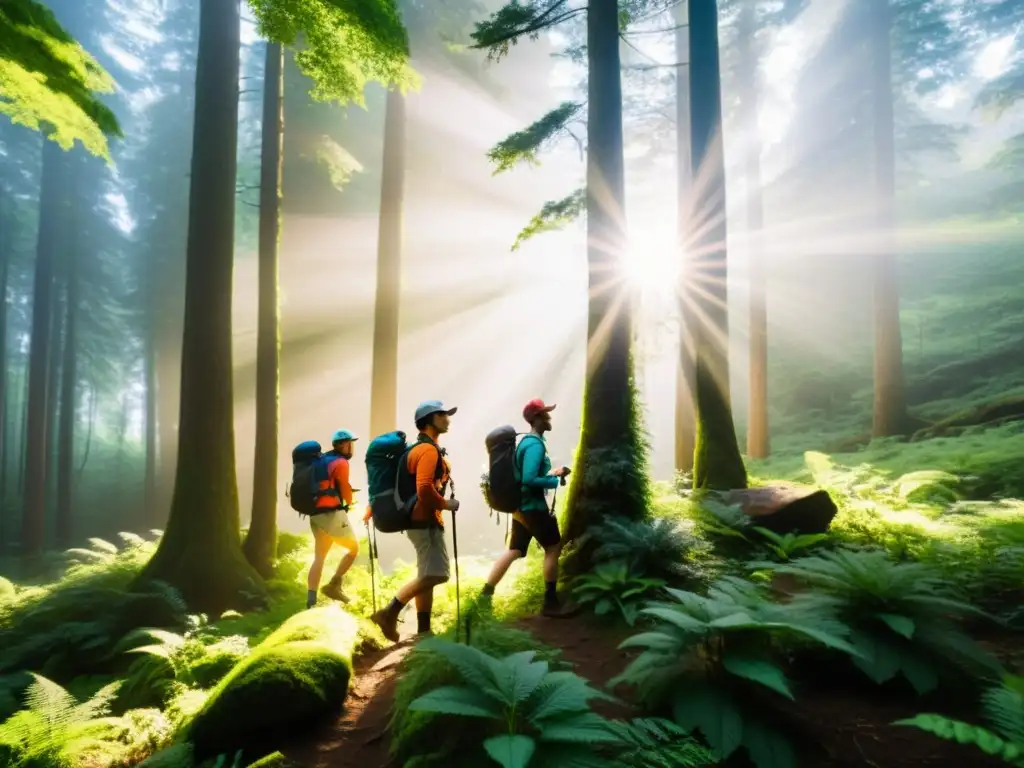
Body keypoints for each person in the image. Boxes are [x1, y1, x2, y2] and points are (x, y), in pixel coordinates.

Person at [371, 401, 460, 641]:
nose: (447, 419)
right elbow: (424, 489)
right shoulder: (427, 451)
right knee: (439, 574)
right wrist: (446, 504)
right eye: (442, 415)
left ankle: (423, 630)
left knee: (427, 575)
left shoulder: (422, 448)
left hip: (418, 519)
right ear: (429, 420)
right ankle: (389, 612)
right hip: (424, 520)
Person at [481, 399, 577, 618]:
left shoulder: (526, 443)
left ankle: (484, 597)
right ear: (536, 418)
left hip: (520, 507)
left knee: (514, 550)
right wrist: (553, 482)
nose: (549, 417)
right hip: (532, 507)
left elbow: (528, 474)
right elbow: (529, 479)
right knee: (553, 547)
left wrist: (553, 473)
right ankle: (550, 604)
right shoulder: (534, 444)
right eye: (545, 414)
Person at [306, 429, 359, 609]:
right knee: (353, 549)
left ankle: (311, 600)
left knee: (319, 556)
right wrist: (350, 502)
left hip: (315, 513)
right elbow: (344, 487)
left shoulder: (320, 460)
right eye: (349, 443)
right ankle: (334, 585)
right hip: (331, 513)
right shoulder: (341, 462)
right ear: (341, 444)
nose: (351, 446)